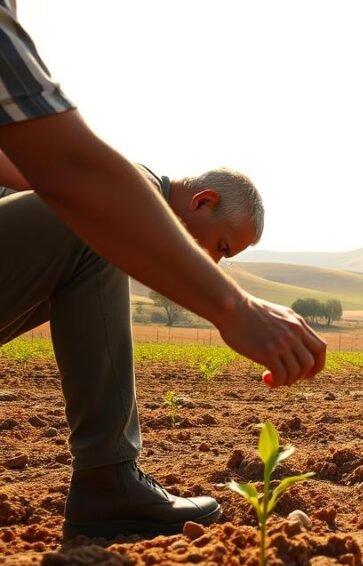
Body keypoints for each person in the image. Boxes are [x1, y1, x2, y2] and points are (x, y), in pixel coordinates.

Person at [0, 3, 328, 535]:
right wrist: (232, 306)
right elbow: (75, 179)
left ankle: (109, 481)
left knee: (100, 217)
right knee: (100, 220)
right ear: (200, 202)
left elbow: (36, 162)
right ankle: (108, 480)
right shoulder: (127, 193)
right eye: (219, 246)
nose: (214, 263)